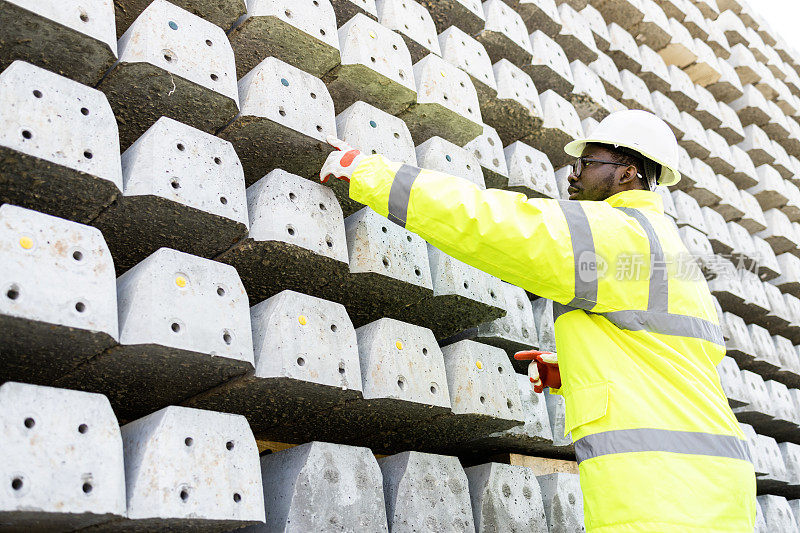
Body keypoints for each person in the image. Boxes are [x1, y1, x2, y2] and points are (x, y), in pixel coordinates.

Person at [320, 109, 757, 532]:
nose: (572, 174)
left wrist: (369, 174)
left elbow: (489, 224)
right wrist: (575, 369)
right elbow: (662, 357)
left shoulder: (613, 235)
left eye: (586, 162)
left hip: (660, 496)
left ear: (627, 172)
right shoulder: (668, 250)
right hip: (718, 490)